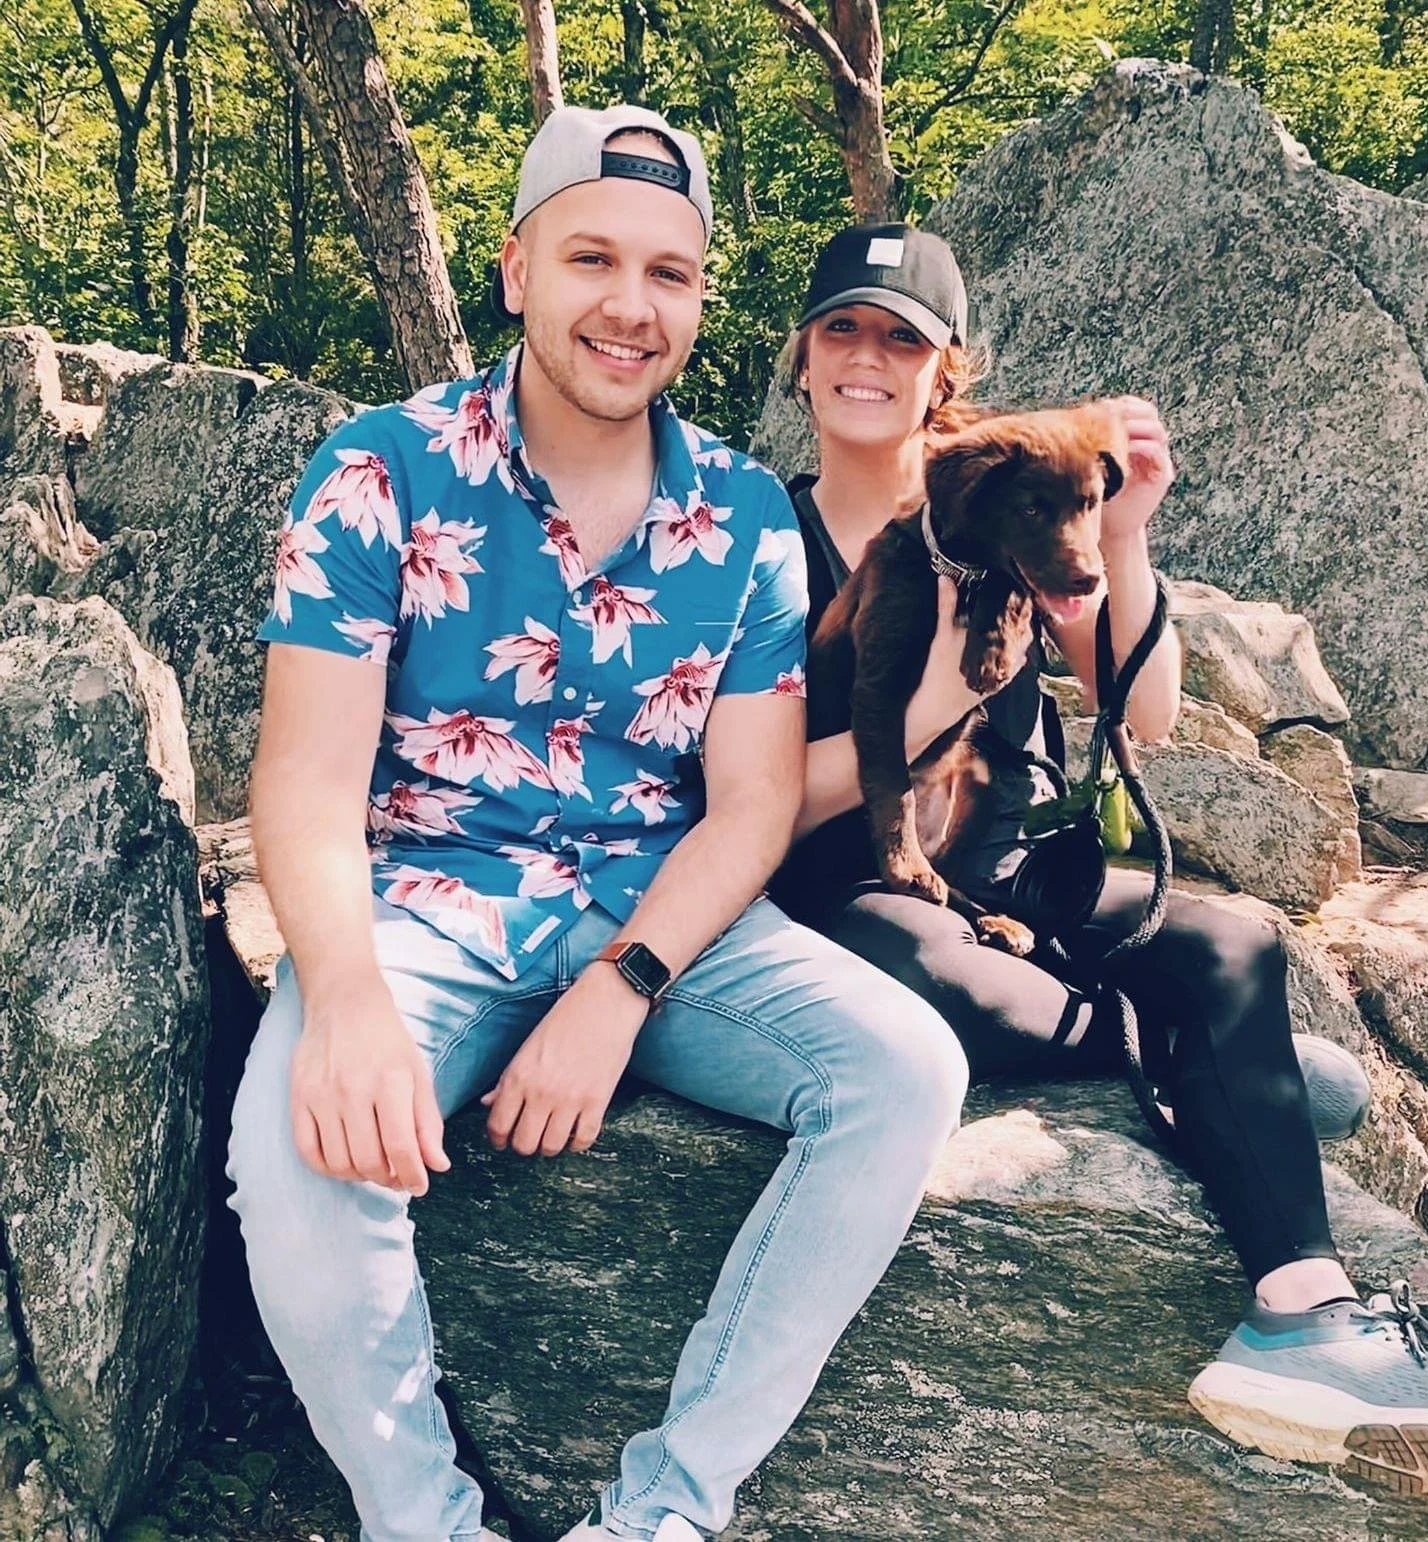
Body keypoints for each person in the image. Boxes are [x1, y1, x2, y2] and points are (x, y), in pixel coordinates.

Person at [225, 112, 973, 1542]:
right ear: (515, 269)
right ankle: (425, 1522)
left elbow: (749, 801)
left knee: (900, 1069)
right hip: (424, 901)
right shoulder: (378, 471)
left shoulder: (744, 514)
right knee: (293, 1146)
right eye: (591, 258)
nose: (630, 307)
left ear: (700, 301)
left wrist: (618, 989)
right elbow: (305, 780)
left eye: (670, 275)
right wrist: (349, 1003)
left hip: (658, 904)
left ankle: (666, 1512)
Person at [768, 221, 1428, 1503]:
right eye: (842, 330)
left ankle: (1303, 1315)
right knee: (961, 991)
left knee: (1234, 938)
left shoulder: (1032, 502)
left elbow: (1144, 716)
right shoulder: (756, 533)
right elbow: (750, 798)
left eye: (900, 337)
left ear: (943, 370)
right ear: (801, 360)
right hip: (853, 877)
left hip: (1011, 865)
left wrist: (1125, 534)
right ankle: (1224, 1073)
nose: (867, 358)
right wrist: (927, 710)